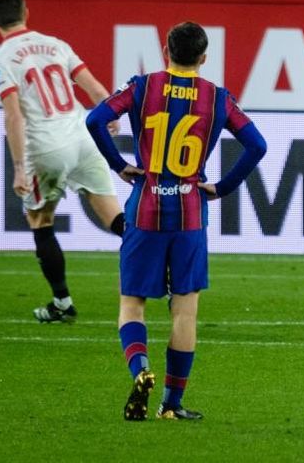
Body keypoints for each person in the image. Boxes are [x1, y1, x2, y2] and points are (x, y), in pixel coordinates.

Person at [86, 22, 266, 421]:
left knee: (132, 304)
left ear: (165, 51)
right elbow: (258, 146)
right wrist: (221, 187)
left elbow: (95, 120)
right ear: (204, 58)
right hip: (189, 214)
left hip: (145, 207)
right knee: (185, 311)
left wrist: (119, 165)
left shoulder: (142, 86)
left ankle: (140, 370)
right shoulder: (218, 98)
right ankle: (171, 403)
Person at [0, 0, 126, 323]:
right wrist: (110, 117)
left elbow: (14, 116)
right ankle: (166, 267)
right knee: (113, 215)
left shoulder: (1, 60)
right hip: (82, 136)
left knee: (40, 220)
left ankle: (62, 304)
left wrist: (20, 167)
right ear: (26, 12)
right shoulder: (56, 45)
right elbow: (93, 88)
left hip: (47, 146)